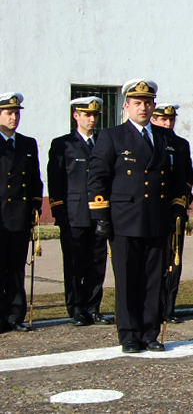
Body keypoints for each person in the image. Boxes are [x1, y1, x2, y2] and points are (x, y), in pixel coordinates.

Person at [87, 79, 187, 353]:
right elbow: (97, 178)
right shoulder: (112, 137)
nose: (143, 107)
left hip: (157, 219)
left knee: (154, 279)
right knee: (128, 280)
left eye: (148, 102)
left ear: (154, 106)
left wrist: (178, 206)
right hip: (124, 220)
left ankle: (150, 332)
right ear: (127, 106)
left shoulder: (167, 139)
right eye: (137, 103)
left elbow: (181, 179)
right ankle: (129, 334)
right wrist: (101, 216)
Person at [48, 97, 111, 327]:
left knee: (97, 263)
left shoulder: (104, 142)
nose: (92, 119)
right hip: (73, 214)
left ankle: (93, 308)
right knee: (74, 264)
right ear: (76, 115)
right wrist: (59, 212)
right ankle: (75, 309)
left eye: (95, 115)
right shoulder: (63, 144)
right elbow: (56, 181)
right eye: (87, 115)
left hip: (98, 213)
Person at [0, 92, 43, 333]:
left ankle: (15, 315)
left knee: (16, 268)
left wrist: (35, 208)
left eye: (17, 113)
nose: (14, 117)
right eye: (9, 113)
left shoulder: (27, 143)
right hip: (0, 216)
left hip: (19, 214)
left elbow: (35, 180)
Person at [151, 103, 193, 324]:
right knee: (153, 263)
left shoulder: (180, 145)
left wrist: (180, 203)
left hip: (174, 211)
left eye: (171, 120)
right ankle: (152, 307)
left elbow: (187, 177)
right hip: (151, 212)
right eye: (162, 120)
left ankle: (169, 308)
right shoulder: (151, 142)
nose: (167, 124)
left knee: (174, 261)